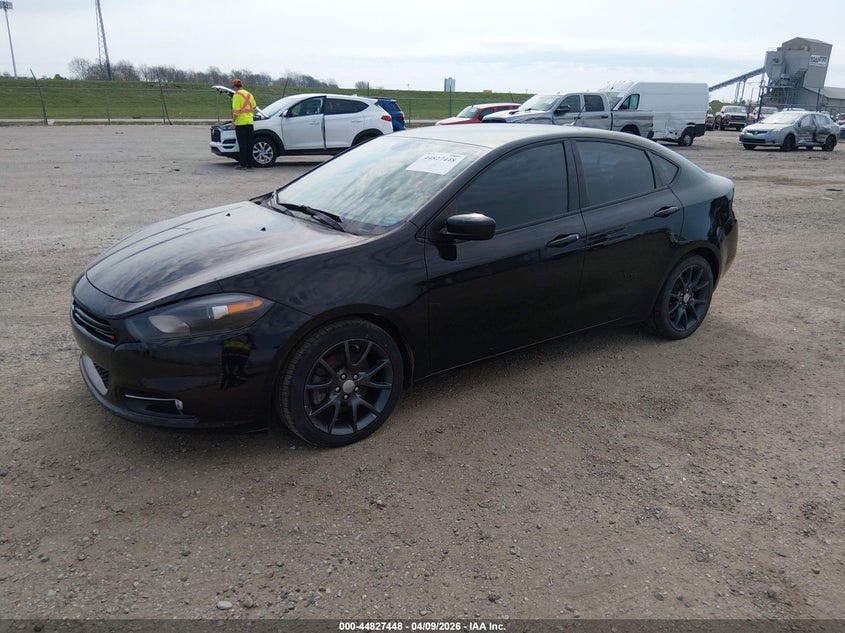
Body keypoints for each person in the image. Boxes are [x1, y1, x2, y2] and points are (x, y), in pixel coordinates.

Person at [231, 78, 257, 169]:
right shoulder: (249, 95)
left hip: (241, 124)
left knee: (242, 145)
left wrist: (233, 122)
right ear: (241, 85)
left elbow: (236, 112)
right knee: (250, 144)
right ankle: (250, 164)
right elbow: (254, 106)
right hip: (250, 123)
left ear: (235, 87)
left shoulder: (236, 95)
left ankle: (243, 164)